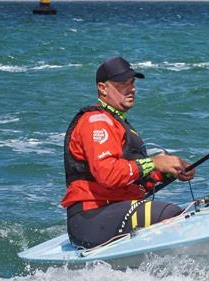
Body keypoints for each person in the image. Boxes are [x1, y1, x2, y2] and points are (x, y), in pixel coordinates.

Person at [61, 56, 194, 248]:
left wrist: (166, 171)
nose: (131, 88)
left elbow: (131, 178)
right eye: (122, 83)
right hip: (90, 219)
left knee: (185, 211)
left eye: (132, 83)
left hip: (113, 211)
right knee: (170, 213)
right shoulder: (96, 122)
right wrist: (154, 163)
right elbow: (108, 174)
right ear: (102, 88)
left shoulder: (118, 123)